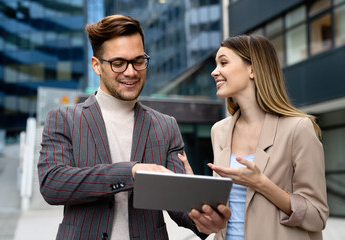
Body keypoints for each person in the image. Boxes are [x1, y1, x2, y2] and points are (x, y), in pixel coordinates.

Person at [37, 14, 230, 240]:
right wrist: (130, 172)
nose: (131, 72)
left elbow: (180, 207)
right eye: (118, 63)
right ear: (96, 65)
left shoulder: (165, 126)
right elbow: (52, 183)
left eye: (138, 61)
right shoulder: (64, 118)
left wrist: (204, 220)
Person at [179, 34, 329, 240]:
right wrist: (196, 193)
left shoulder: (298, 129)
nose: (214, 72)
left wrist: (261, 184)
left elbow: (317, 215)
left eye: (223, 62)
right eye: (216, 65)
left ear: (253, 69)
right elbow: (224, 211)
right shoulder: (219, 131)